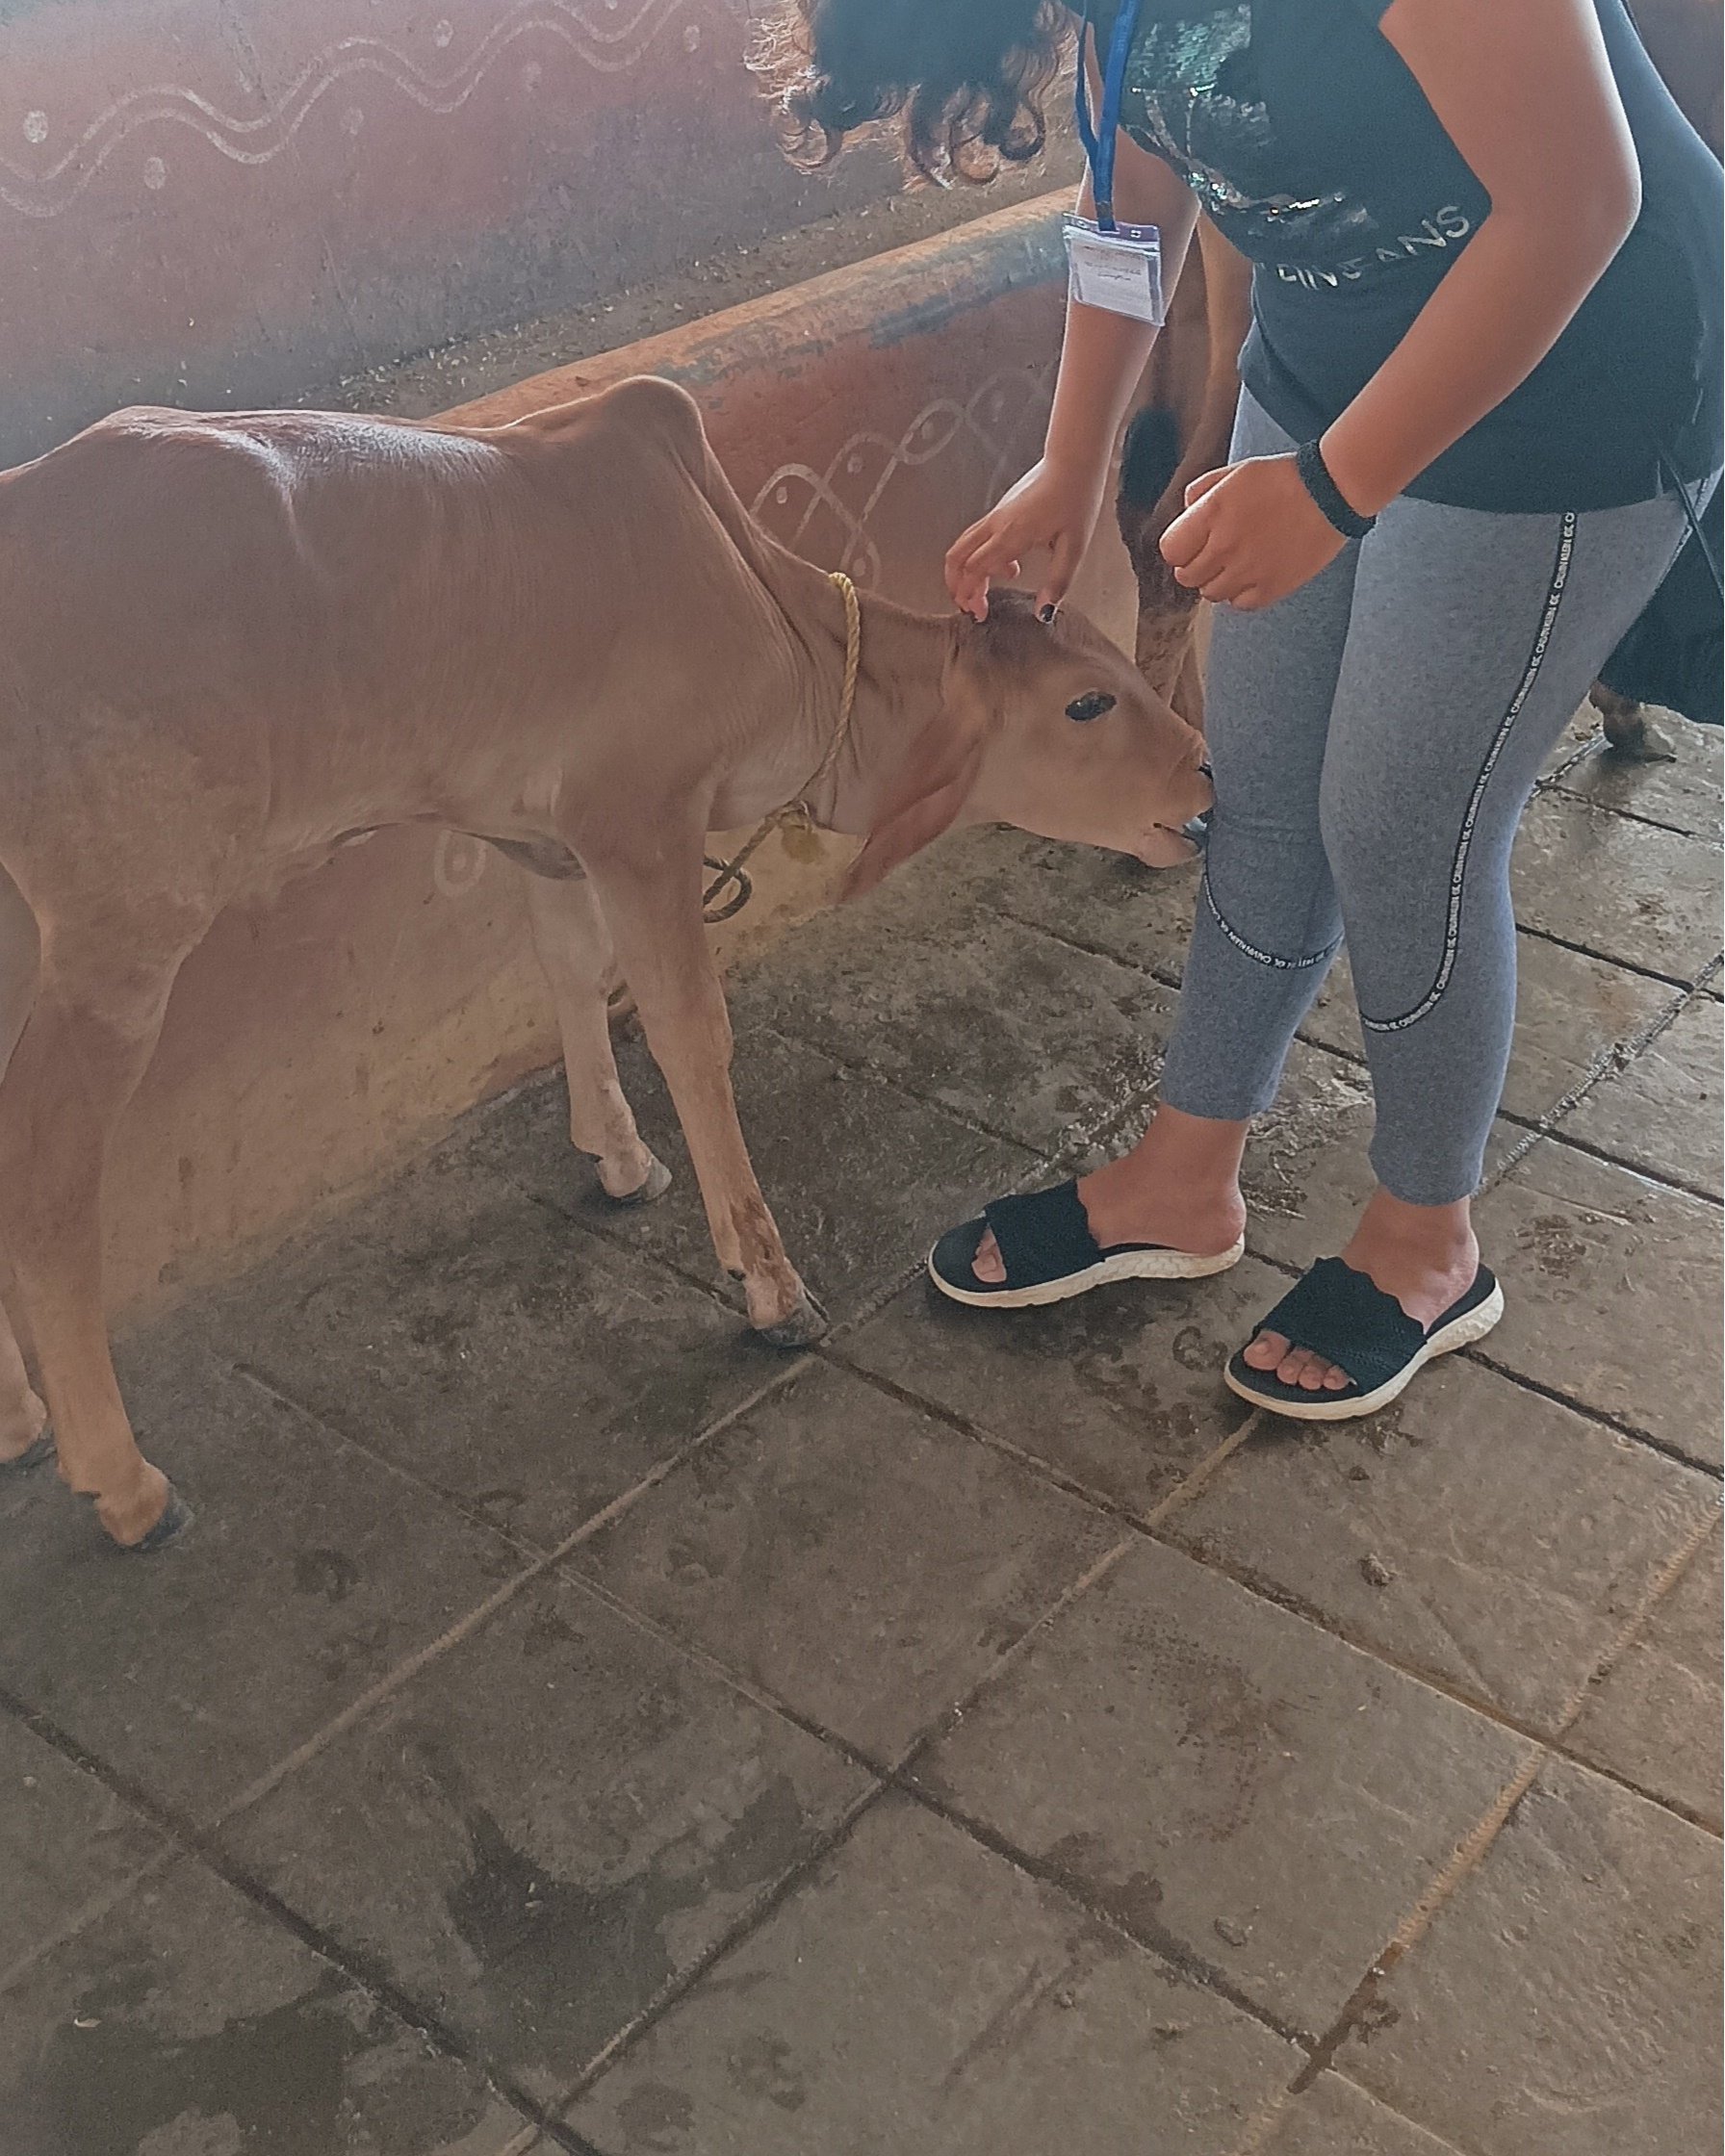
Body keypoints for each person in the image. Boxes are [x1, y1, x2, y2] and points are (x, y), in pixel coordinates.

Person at [759, 0, 1723, 1419]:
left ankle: (1425, 1244)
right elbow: (1134, 184)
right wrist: (1071, 462)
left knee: (1402, 825)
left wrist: (1335, 492)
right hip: (1324, 371)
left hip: (1573, 384)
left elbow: (1579, 203)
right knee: (1259, 789)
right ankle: (1182, 1176)